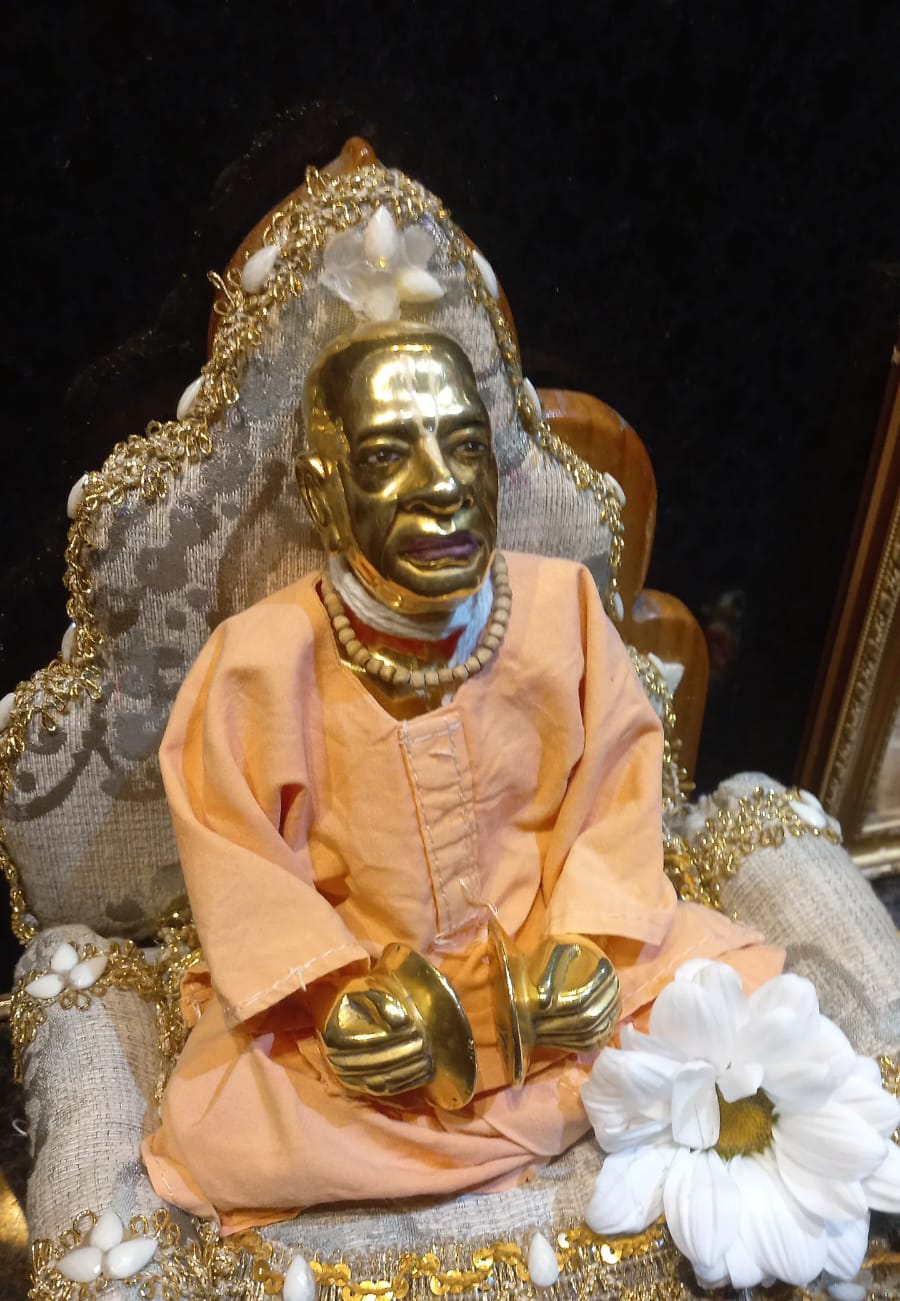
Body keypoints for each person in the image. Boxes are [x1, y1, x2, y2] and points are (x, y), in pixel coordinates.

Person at [143, 324, 781, 1233]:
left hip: (553, 977)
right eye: (386, 456)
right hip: (374, 1009)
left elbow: (617, 795)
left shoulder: (564, 607)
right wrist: (336, 1000)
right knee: (220, 1131)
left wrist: (585, 948)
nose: (441, 485)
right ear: (324, 494)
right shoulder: (257, 662)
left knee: (737, 994)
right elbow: (240, 863)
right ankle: (482, 1119)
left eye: (465, 446)